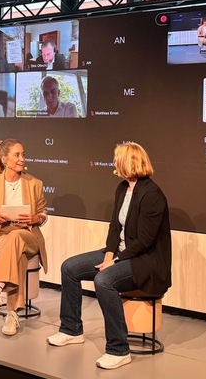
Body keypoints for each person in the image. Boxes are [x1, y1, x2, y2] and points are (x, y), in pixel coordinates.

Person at [46, 142, 172, 370]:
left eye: (116, 159)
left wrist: (114, 261)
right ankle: (71, 329)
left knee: (103, 281)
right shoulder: (123, 188)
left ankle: (118, 349)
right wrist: (109, 255)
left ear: (128, 161)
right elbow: (115, 227)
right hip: (121, 254)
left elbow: (145, 241)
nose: (113, 163)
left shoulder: (152, 194)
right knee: (69, 268)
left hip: (146, 261)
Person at [0, 139, 49, 336]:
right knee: (15, 253)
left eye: (23, 154)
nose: (22, 159)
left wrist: (37, 217)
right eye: (17, 155)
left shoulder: (35, 184)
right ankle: (12, 314)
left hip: (28, 235)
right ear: (4, 159)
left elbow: (44, 213)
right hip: (0, 235)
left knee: (17, 237)